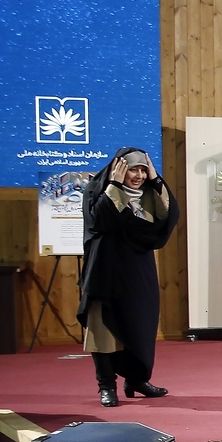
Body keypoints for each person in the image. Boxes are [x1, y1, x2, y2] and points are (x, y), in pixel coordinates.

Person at [77, 147, 179, 407]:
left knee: (139, 324)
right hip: (105, 269)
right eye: (133, 169)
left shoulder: (148, 194)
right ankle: (106, 386)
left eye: (143, 169)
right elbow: (100, 218)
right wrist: (113, 184)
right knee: (102, 329)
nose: (139, 175)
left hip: (138, 269)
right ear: (118, 169)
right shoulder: (96, 190)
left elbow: (166, 218)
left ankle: (136, 380)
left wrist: (156, 180)